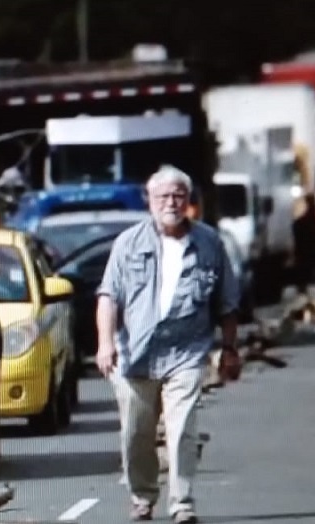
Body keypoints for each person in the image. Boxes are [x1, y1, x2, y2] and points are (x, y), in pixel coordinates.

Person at [96, 165, 242, 523]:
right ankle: (142, 497)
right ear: (150, 201)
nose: (171, 203)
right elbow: (108, 297)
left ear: (189, 200)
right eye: (163, 196)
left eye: (179, 196)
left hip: (186, 352)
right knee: (136, 435)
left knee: (182, 430)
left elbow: (227, 303)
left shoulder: (209, 243)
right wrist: (105, 343)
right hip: (135, 354)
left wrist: (230, 349)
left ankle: (182, 503)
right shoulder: (128, 243)